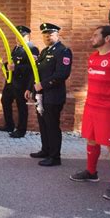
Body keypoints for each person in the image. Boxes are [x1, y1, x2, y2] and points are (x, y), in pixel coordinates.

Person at [69, 26, 110, 201]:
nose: (91, 38)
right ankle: (91, 172)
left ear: (107, 39)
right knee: (91, 139)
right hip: (92, 107)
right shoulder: (93, 58)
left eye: (95, 35)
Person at [26, 23, 72, 167]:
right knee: (43, 124)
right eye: (45, 35)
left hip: (53, 96)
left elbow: (62, 74)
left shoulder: (63, 51)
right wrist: (30, 88)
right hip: (41, 96)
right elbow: (37, 72)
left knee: (52, 126)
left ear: (57, 35)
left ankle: (55, 157)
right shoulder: (45, 51)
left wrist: (43, 85)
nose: (47, 37)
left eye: (50, 34)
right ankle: (45, 150)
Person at [0, 26, 39, 138]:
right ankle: (9, 125)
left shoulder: (32, 49)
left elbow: (32, 68)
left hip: (22, 83)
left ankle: (21, 130)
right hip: (11, 82)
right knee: (5, 101)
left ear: (27, 36)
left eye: (20, 36)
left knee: (21, 107)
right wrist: (5, 65)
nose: (17, 38)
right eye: (16, 36)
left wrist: (16, 68)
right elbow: (13, 63)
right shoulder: (16, 48)